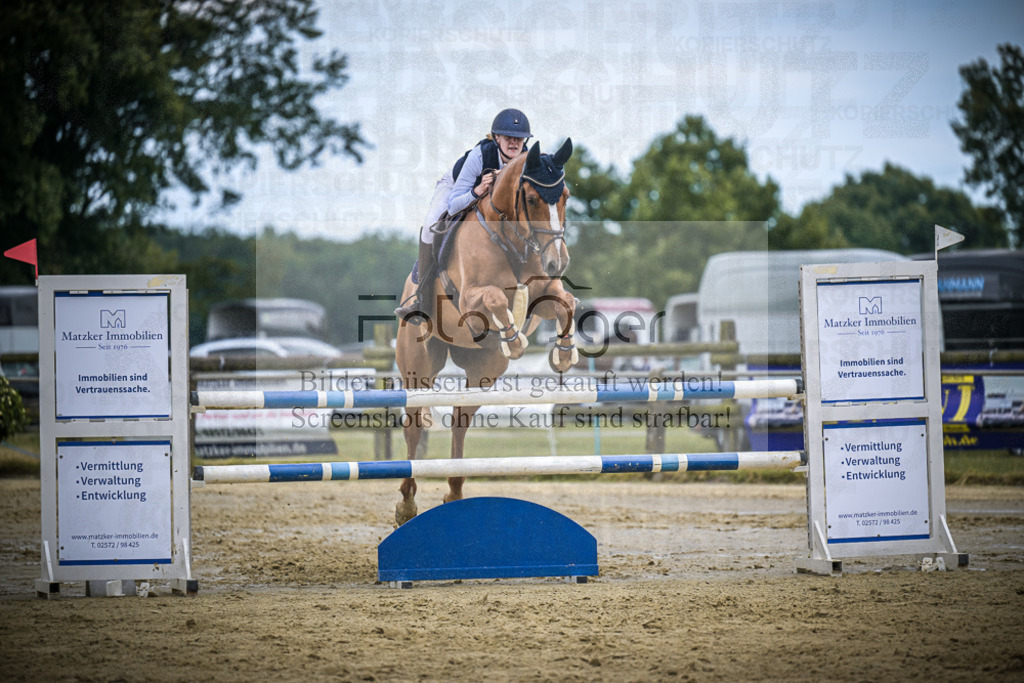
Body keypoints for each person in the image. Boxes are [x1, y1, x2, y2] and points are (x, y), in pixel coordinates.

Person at [395, 108, 532, 320]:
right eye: (508, 137)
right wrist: (478, 190)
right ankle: (422, 299)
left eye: (519, 139)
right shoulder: (480, 156)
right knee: (430, 226)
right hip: (457, 189)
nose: (514, 143)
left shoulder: (527, 161)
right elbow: (453, 206)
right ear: (497, 138)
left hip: (492, 206)